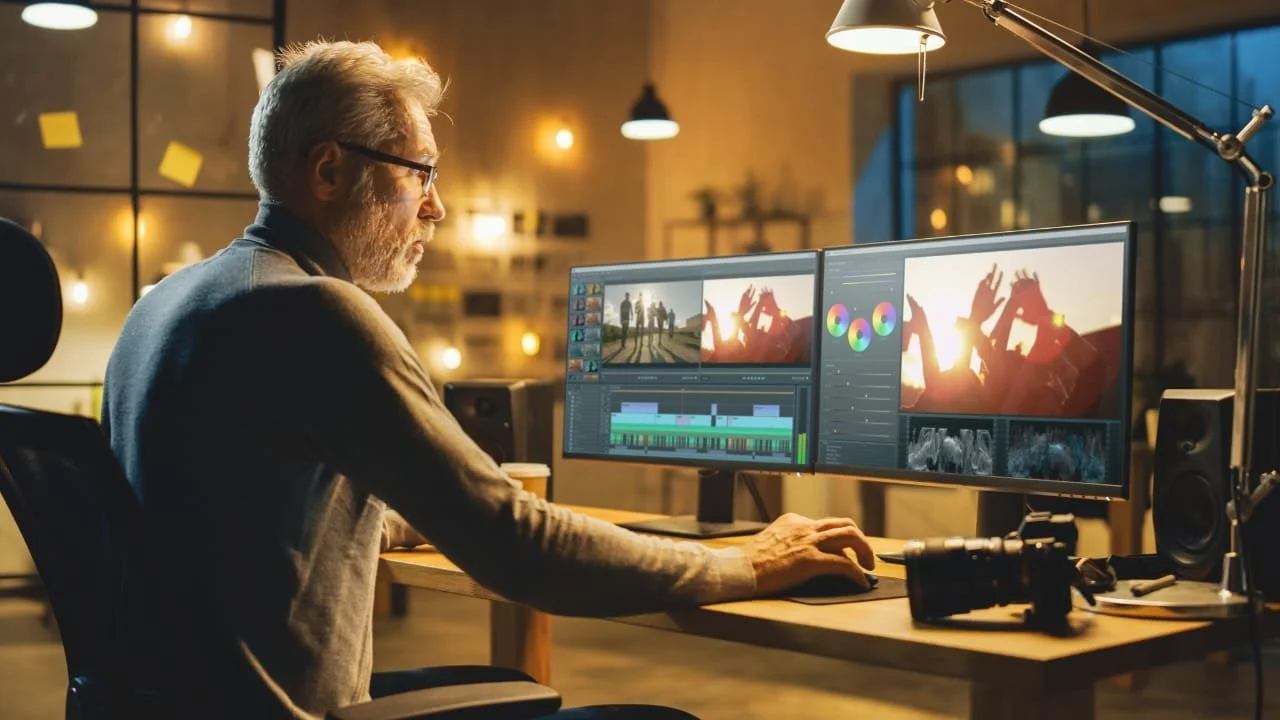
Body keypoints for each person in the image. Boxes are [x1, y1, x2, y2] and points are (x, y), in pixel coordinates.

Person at [101, 40, 874, 720]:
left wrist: (439, 501)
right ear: (329, 170)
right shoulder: (318, 315)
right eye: (419, 173)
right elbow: (520, 550)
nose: (435, 207)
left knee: (504, 683)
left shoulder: (167, 303)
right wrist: (747, 563)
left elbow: (249, 513)